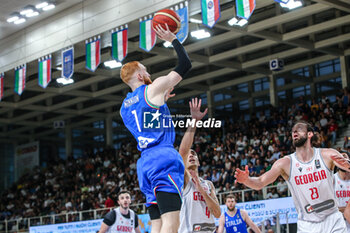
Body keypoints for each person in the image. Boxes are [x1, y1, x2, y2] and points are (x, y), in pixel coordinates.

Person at [119, 24, 191, 233]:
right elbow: (185, 65)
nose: (149, 72)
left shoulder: (124, 108)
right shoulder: (152, 88)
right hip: (163, 158)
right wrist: (173, 39)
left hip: (145, 164)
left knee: (157, 224)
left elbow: (145, 123)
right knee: (172, 222)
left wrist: (160, 105)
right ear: (140, 76)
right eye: (146, 70)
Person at [235, 121, 349, 232]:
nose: (294, 132)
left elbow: (347, 167)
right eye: (293, 131)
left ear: (310, 134)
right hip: (307, 225)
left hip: (333, 219)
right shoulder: (285, 163)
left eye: (299, 129)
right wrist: (247, 180)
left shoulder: (327, 154)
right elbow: (260, 182)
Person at [178, 98, 221, 233]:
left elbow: (217, 213)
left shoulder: (208, 184)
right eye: (189, 155)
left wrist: (202, 191)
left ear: (199, 161)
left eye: (194, 154)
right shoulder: (184, 179)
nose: (191, 155)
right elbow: (183, 151)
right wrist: (194, 122)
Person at [334, 151, 350, 232]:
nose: (343, 160)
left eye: (345, 157)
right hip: (337, 225)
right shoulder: (331, 180)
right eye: (340, 157)